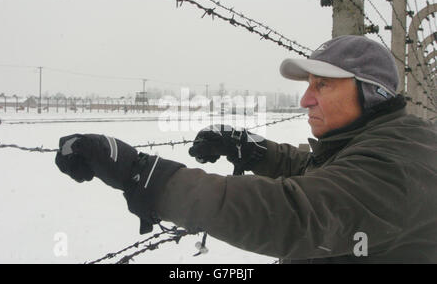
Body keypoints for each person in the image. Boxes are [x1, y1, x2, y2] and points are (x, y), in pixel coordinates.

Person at [55, 35, 437, 263]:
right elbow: (322, 169)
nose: (305, 100)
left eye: (322, 85)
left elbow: (295, 213)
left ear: (371, 93)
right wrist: (253, 151)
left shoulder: (400, 162)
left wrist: (144, 174)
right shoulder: (384, 137)